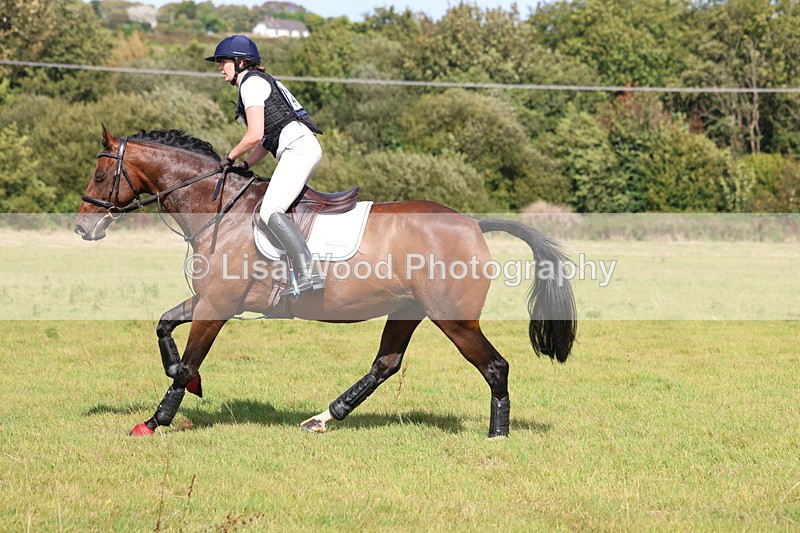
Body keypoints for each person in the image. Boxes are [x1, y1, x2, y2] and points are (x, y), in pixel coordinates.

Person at [206, 34, 325, 297]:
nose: (220, 68)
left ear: (240, 62)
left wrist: (229, 158)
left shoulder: (251, 84)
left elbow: (254, 135)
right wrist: (246, 162)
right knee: (273, 208)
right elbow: (267, 139)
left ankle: (309, 273)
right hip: (298, 147)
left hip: (299, 149)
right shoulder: (255, 83)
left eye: (223, 62)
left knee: (270, 210)